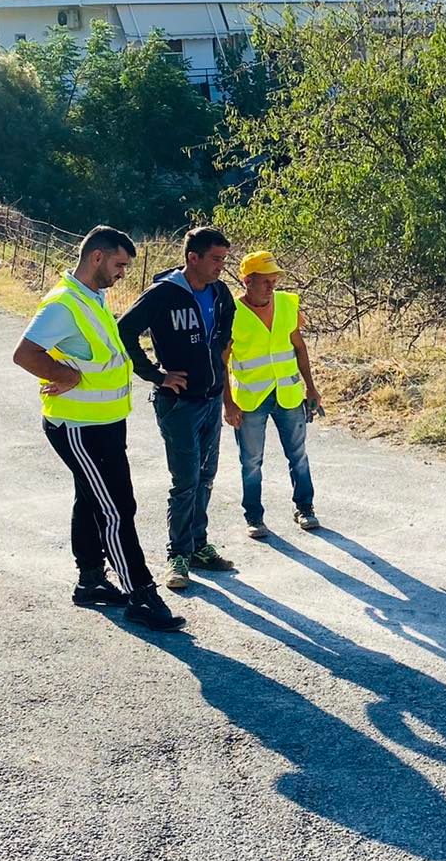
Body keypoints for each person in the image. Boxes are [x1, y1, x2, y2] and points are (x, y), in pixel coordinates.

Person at [10, 226, 185, 632]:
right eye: (120, 264)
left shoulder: (93, 297)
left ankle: (90, 580)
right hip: (79, 426)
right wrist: (60, 374)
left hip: (105, 423)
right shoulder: (62, 305)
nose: (123, 272)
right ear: (97, 258)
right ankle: (141, 593)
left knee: (92, 498)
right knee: (117, 507)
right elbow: (24, 353)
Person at [117, 225, 239, 592]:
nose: (221, 267)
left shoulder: (219, 292)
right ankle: (178, 555)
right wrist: (155, 375)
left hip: (210, 398)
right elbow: (123, 332)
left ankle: (199, 546)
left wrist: (219, 356)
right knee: (185, 480)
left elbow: (226, 325)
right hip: (178, 405)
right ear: (193, 258)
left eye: (224, 259)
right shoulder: (163, 294)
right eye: (216, 259)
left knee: (205, 476)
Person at [224, 249, 323, 540]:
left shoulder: (287, 304)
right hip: (250, 399)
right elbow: (222, 360)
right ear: (247, 280)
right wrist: (228, 404)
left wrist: (311, 387)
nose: (271, 286)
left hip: (288, 394)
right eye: (265, 280)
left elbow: (299, 347)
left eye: (274, 280)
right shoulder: (230, 312)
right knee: (251, 461)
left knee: (298, 455)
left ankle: (305, 508)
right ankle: (254, 517)